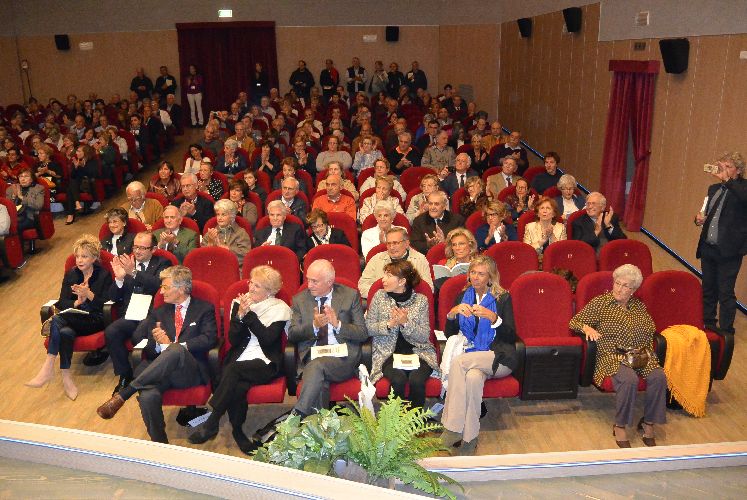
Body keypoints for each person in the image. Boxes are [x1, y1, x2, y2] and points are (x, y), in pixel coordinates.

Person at [96, 266, 218, 444]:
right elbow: (150, 349)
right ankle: (160, 444)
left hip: (188, 371)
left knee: (176, 349)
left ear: (182, 288)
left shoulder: (204, 309)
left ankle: (125, 393)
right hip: (160, 371)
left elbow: (209, 339)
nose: (161, 292)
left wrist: (172, 346)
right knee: (147, 396)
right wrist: (161, 345)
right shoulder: (158, 313)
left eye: (166, 287)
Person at [188, 266, 291, 452]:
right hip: (240, 357)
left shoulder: (279, 308)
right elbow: (234, 340)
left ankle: (212, 422)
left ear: (269, 291)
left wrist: (249, 315)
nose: (250, 288)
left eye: (257, 286)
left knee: (233, 371)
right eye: (251, 282)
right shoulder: (239, 303)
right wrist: (239, 316)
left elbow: (268, 339)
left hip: (265, 361)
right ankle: (237, 431)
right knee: (238, 384)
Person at [569, 264, 666, 448]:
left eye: (625, 286)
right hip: (611, 355)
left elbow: (651, 329)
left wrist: (643, 350)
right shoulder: (601, 303)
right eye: (617, 283)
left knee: (659, 376)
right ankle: (620, 425)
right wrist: (587, 328)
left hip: (638, 354)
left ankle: (649, 422)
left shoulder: (638, 306)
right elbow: (575, 321)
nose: (619, 289)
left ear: (633, 290)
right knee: (629, 379)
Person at [440, 256, 517, 456]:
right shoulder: (463, 296)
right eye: (473, 272)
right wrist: (452, 313)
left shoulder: (502, 298)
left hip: (499, 357)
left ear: (490, 277)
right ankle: (470, 438)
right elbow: (449, 333)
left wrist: (494, 318)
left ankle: (452, 428)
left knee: (459, 362)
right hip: (472, 357)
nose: (475, 277)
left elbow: (511, 336)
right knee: (473, 378)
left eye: (481, 274)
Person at [26, 235, 113, 401]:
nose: (79, 260)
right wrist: (76, 302)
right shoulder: (71, 274)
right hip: (73, 318)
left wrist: (89, 295)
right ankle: (66, 378)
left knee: (57, 320)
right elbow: (61, 302)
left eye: (84, 256)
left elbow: (107, 304)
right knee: (64, 332)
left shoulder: (103, 275)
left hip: (95, 319)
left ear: (94, 258)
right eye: (77, 256)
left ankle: (48, 367)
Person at [286, 259, 368, 416]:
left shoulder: (350, 295)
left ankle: (297, 415)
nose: (309, 285)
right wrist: (314, 326)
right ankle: (323, 427)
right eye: (308, 280)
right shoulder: (299, 300)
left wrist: (338, 324)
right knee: (319, 382)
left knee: (316, 367)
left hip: (342, 358)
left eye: (314, 281)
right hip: (313, 356)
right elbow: (293, 334)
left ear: (330, 281)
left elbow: (362, 333)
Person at [102, 232, 172, 386]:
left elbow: (158, 285)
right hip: (131, 314)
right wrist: (119, 279)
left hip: (151, 314)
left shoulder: (163, 263)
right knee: (111, 332)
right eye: (135, 247)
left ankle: (150, 373)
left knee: (138, 335)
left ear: (153, 249)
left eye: (142, 248)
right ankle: (124, 375)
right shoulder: (127, 262)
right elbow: (113, 297)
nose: (137, 251)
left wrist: (134, 273)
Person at [366, 260, 438, 409]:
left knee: (417, 380)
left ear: (402, 281)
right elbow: (368, 328)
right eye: (384, 275)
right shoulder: (379, 297)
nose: (383, 279)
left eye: (388, 276)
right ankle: (395, 420)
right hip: (387, 353)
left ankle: (415, 419)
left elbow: (424, 335)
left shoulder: (421, 300)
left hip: (419, 352)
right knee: (398, 380)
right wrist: (389, 324)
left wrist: (406, 323)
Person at [694, 152, 747, 335]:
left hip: (729, 251)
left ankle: (726, 332)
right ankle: (708, 324)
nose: (723, 170)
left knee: (725, 292)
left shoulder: (743, 188)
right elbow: (708, 213)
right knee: (708, 288)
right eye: (722, 166)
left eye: (728, 167)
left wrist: (727, 180)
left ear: (738, 170)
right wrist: (699, 219)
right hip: (708, 247)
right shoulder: (714, 189)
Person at [359, 227, 433, 298]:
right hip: (381, 302)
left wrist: (403, 296)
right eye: (388, 243)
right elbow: (362, 287)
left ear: (406, 243)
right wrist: (386, 295)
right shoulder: (376, 259)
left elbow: (428, 289)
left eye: (395, 243)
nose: (391, 247)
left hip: (412, 303)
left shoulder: (420, 259)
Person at [410, 191, 465, 255]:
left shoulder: (457, 220)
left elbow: (462, 243)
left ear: (444, 206)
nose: (432, 207)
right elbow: (414, 243)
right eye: (430, 204)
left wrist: (445, 242)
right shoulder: (419, 221)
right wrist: (428, 245)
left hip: (451, 256)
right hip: (427, 257)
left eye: (436, 204)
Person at [202, 199, 252, 268]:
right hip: (213, 268)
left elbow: (245, 256)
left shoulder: (240, 233)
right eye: (218, 214)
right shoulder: (211, 233)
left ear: (231, 216)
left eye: (223, 214)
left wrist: (226, 249)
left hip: (234, 269)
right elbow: (202, 258)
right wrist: (210, 244)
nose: (219, 218)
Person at [64, 144, 99, 225]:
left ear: (85, 153)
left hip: (88, 184)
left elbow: (93, 174)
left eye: (79, 151)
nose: (77, 153)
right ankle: (76, 205)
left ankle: (71, 214)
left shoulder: (92, 161)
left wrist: (82, 166)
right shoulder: (76, 160)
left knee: (71, 187)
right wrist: (76, 167)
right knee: (72, 183)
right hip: (77, 186)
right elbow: (72, 175)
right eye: (77, 151)